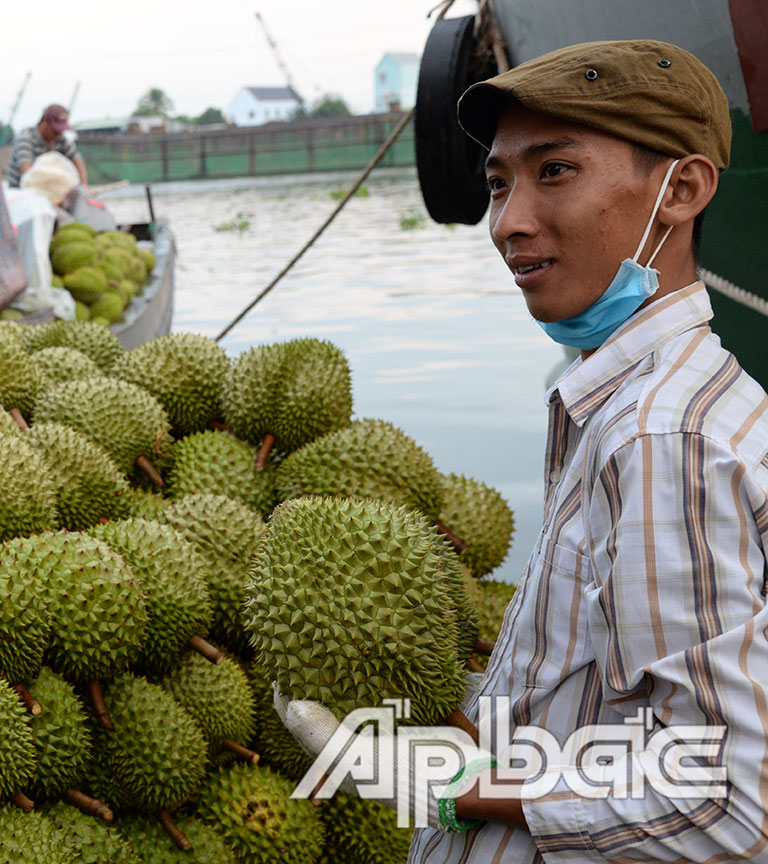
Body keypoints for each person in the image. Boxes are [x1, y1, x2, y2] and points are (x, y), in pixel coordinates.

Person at [277, 40, 768, 862]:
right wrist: (458, 719)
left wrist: (447, 786)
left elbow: (724, 803)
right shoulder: (656, 402)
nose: (508, 223)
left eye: (556, 172)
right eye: (499, 183)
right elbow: (606, 699)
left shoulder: (660, 438)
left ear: (680, 190)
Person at [6, 104, 87, 188]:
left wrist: (84, 184)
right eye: (55, 130)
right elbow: (27, 171)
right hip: (22, 192)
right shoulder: (25, 138)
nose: (58, 134)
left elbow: (76, 159)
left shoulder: (60, 139)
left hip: (47, 190)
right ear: (45, 120)